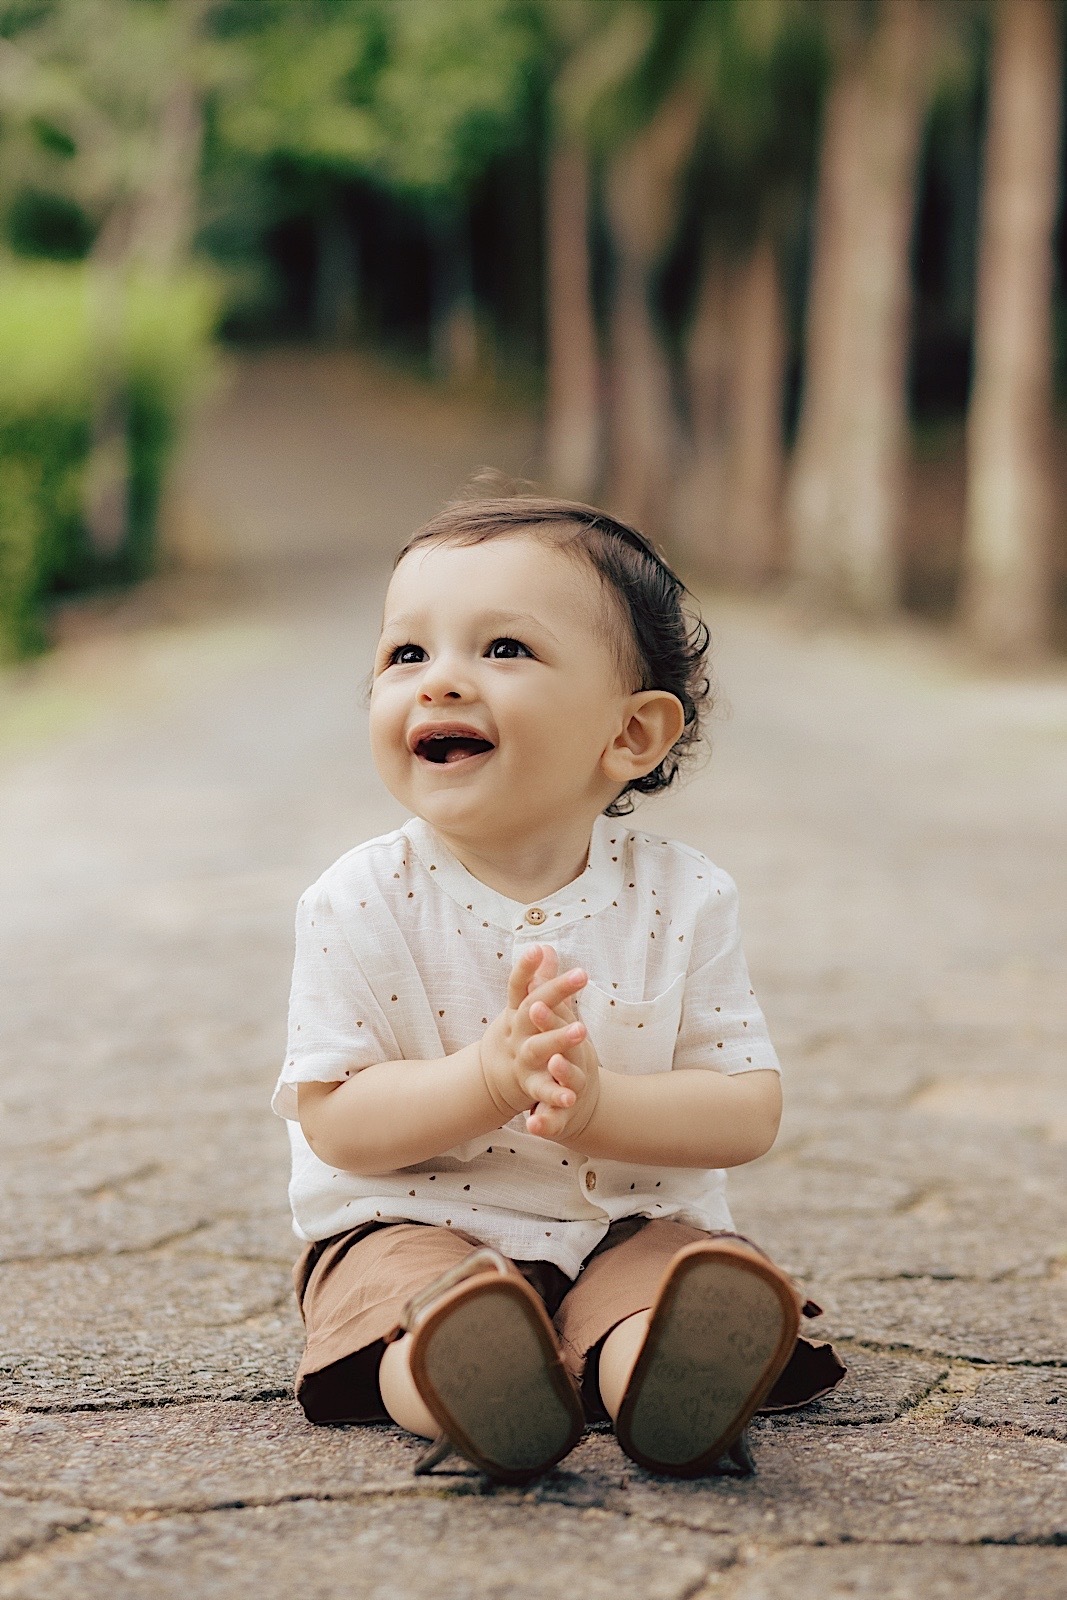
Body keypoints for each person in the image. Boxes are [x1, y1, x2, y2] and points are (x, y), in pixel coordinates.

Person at [272, 495, 845, 1484]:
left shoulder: (685, 897)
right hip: (408, 1230)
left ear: (629, 734)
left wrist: (601, 1106)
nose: (439, 679)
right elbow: (337, 1123)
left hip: (622, 1225)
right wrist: (484, 1080)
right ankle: (471, 1393)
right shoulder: (358, 901)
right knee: (416, 1311)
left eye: (502, 648)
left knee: (663, 1284)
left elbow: (744, 1109)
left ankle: (664, 1382)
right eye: (405, 654)